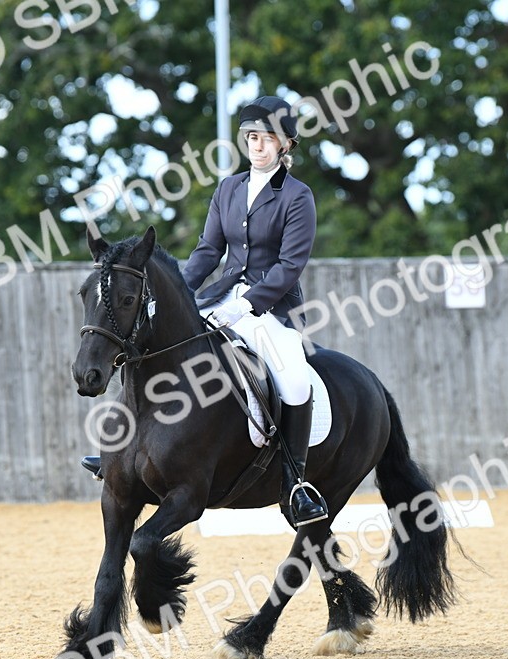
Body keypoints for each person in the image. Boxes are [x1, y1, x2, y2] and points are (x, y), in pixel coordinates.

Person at [83, 95, 328, 526]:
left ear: (286, 144)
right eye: (252, 137)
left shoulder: (297, 196)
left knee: (292, 379)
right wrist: (184, 288)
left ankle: (295, 482)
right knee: (158, 349)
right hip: (219, 297)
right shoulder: (228, 189)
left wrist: (249, 306)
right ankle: (122, 454)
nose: (258, 146)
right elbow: (209, 250)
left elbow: (290, 266)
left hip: (273, 310)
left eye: (267, 139)